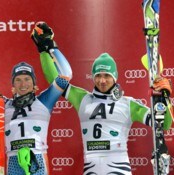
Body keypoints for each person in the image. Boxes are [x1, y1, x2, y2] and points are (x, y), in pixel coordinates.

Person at [31, 22, 173, 175]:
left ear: (115, 77)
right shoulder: (82, 98)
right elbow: (56, 80)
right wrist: (44, 50)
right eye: (98, 76)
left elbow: (164, 125)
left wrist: (164, 98)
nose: (102, 80)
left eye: (107, 76)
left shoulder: (128, 104)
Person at [0, 45, 72, 175]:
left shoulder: (44, 101)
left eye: (27, 79)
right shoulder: (2, 104)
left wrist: (53, 47)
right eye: (18, 80)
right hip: (12, 162)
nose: (23, 84)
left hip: (37, 159)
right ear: (13, 84)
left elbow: (66, 75)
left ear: (34, 83)